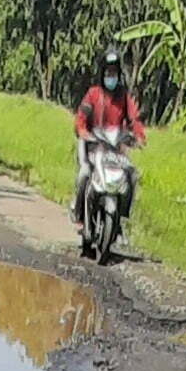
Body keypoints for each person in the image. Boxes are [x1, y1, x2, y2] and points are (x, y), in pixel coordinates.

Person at [71, 49, 146, 237]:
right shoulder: (93, 94)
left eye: (114, 73)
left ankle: (120, 216)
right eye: (108, 73)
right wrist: (83, 131)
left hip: (113, 147)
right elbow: (81, 117)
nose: (110, 77)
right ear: (102, 73)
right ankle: (79, 214)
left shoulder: (124, 97)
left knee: (131, 176)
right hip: (91, 144)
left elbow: (134, 119)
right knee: (84, 174)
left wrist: (139, 136)